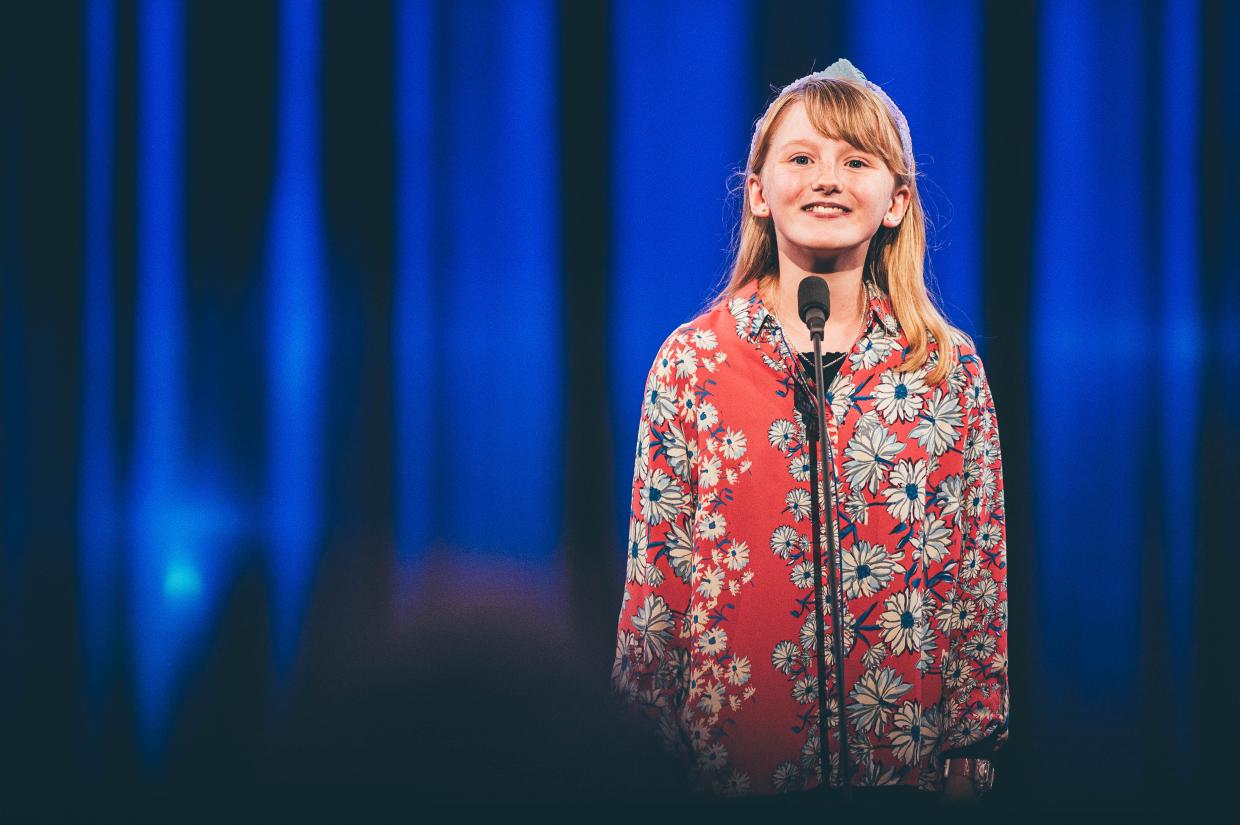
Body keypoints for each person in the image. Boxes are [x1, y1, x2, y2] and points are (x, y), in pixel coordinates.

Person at [610, 59, 1008, 806]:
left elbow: (977, 574)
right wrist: (640, 763)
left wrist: (971, 753)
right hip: (731, 781)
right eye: (802, 158)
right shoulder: (693, 363)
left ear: (896, 200)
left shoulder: (944, 370)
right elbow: (655, 584)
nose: (828, 178)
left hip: (901, 782)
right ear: (758, 192)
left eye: (856, 161)